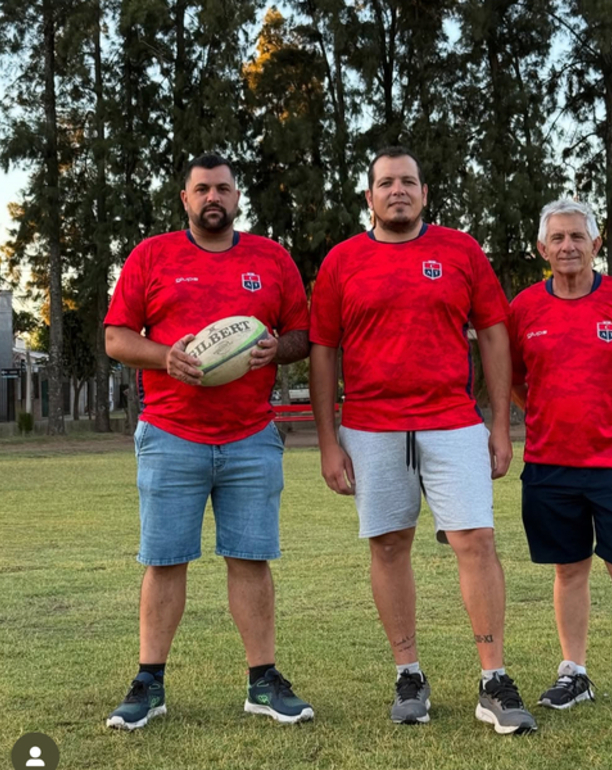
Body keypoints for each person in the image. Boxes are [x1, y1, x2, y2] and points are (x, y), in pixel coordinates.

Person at [309, 146, 537, 735]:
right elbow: (324, 352)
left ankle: (493, 679)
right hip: (371, 426)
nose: (398, 191)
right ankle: (408, 673)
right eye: (385, 183)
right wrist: (328, 440)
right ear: (369, 197)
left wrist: (497, 423)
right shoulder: (342, 261)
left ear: (425, 192)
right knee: (388, 545)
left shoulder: (460, 251)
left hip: (452, 422)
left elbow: (492, 333)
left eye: (408, 181)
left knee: (477, 542)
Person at [104, 153, 313, 730]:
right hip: (171, 434)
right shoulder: (153, 255)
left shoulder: (271, 258)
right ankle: (149, 682)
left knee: (250, 559)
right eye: (202, 190)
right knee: (165, 560)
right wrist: (164, 356)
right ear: (185, 198)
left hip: (250, 436)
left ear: (237, 197)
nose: (213, 197)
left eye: (222, 188)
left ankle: (263, 682)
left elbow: (302, 334)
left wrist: (279, 348)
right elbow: (117, 338)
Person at [508, 199, 612, 717]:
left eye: (577, 236)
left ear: (596, 244)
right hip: (550, 464)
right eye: (556, 238)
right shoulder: (524, 309)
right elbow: (512, 380)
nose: (567, 246)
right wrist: (546, 414)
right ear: (542, 248)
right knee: (568, 570)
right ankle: (573, 673)